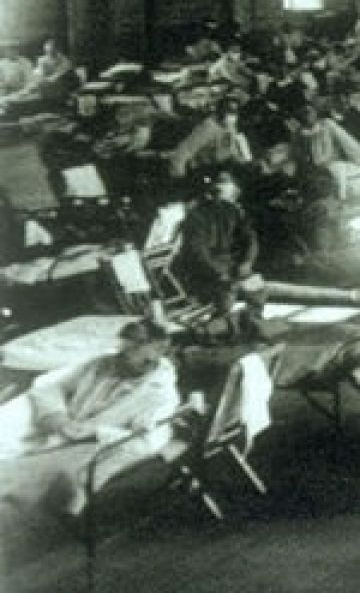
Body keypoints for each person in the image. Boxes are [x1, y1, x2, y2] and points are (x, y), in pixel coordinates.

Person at [0, 319, 179, 520]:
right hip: (58, 425)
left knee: (19, 475)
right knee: (8, 421)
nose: (116, 359)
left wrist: (94, 432)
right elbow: (50, 384)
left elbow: (148, 441)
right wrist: (55, 415)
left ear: (151, 361)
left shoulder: (160, 394)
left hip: (91, 444)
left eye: (126, 355)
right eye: (120, 351)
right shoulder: (104, 362)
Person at [169, 171, 264, 339]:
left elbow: (250, 239)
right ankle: (221, 330)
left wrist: (246, 263)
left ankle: (251, 322)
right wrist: (221, 272)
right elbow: (198, 252)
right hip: (206, 272)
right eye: (217, 193)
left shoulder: (231, 212)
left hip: (228, 266)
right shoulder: (199, 216)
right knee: (229, 294)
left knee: (256, 287)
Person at [291, 103, 360, 201]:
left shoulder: (327, 125)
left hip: (334, 166)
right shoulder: (298, 135)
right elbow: (299, 156)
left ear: (315, 113)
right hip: (315, 172)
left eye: (309, 112)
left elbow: (348, 143)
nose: (307, 116)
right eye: (303, 113)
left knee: (344, 187)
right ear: (298, 118)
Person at [169, 98, 253, 180]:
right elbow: (185, 149)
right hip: (203, 168)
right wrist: (179, 175)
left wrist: (243, 162)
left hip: (221, 165)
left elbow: (231, 147)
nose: (232, 117)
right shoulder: (208, 127)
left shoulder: (229, 126)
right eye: (229, 112)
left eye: (235, 113)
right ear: (220, 112)